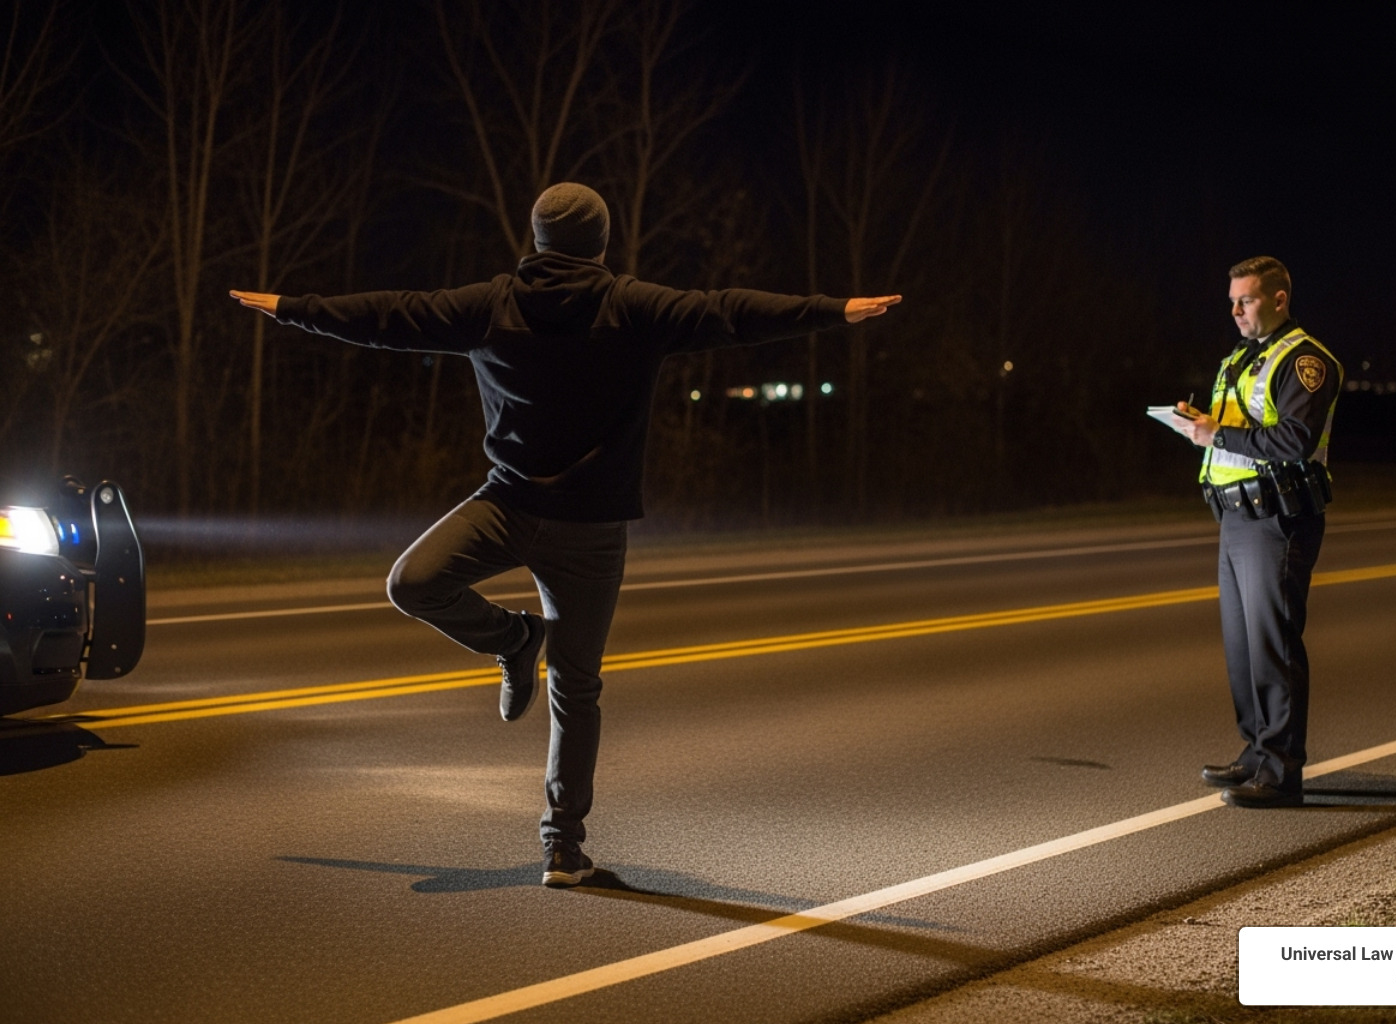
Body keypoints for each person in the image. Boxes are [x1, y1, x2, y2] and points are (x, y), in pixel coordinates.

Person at [231, 182, 900, 884]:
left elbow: (387, 317)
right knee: (495, 635)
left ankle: (562, 845)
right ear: (601, 243)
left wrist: (293, 310)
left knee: (492, 633)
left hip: (551, 520)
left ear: (538, 239)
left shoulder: (493, 305)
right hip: (534, 513)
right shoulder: (633, 307)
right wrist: (834, 311)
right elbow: (729, 313)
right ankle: (517, 643)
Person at [1167, 256, 1341, 809]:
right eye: (1233, 301)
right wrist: (1199, 422)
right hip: (1237, 515)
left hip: (1278, 517)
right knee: (1243, 646)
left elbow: (1292, 440)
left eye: (1247, 300)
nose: (1236, 310)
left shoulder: (1305, 359)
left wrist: (1215, 433)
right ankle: (1256, 751)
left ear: (1279, 298)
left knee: (1274, 643)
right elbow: (1238, 430)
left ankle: (1283, 771)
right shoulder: (1242, 359)